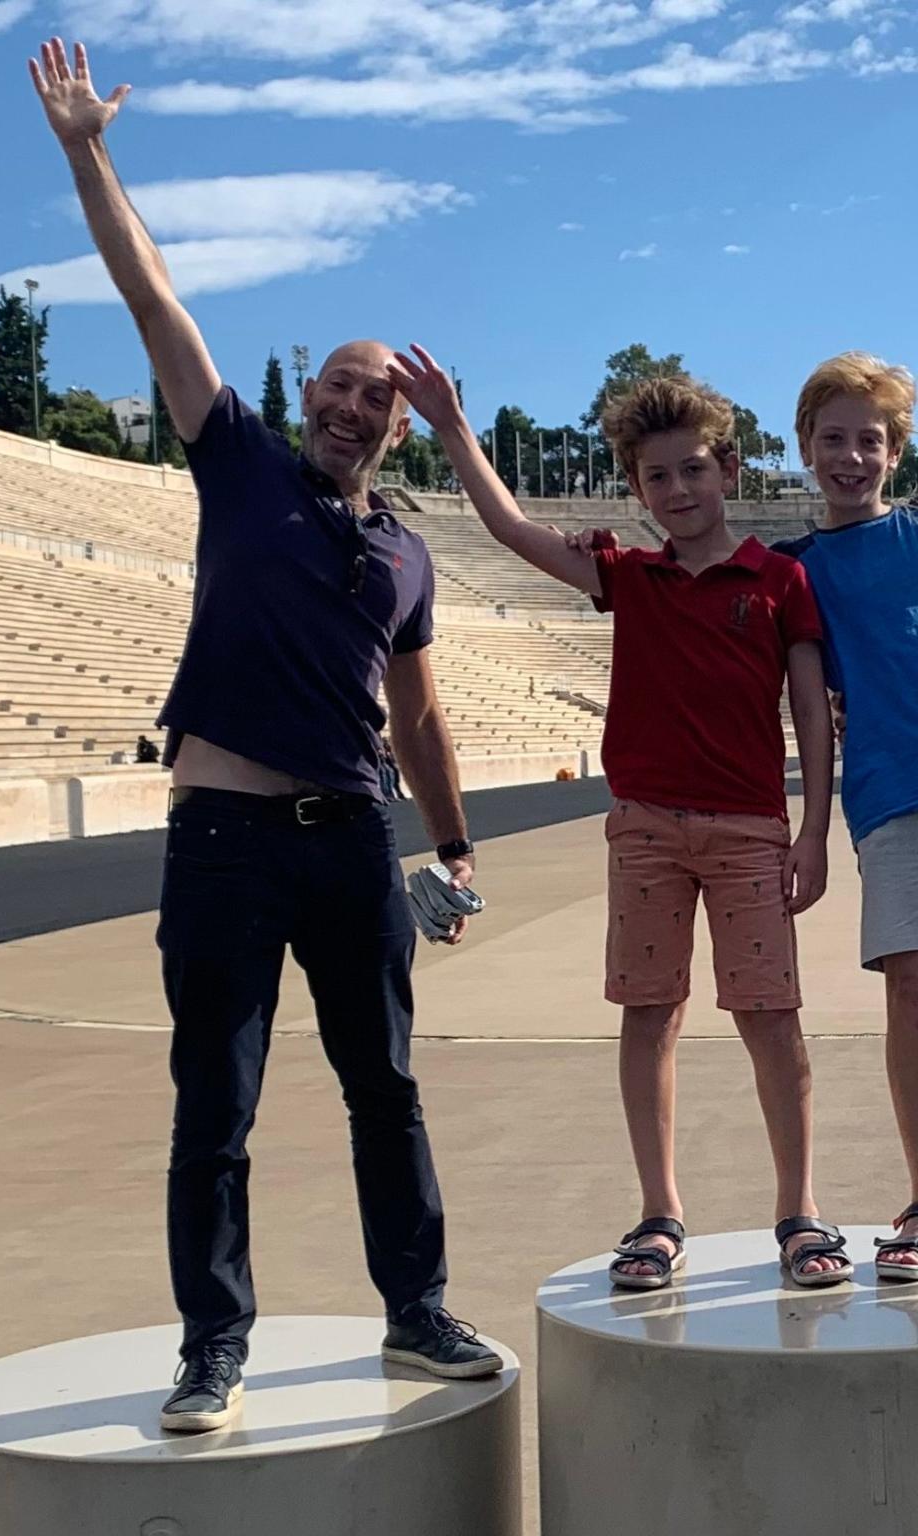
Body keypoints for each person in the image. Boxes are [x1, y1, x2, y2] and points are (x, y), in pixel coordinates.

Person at [30, 39, 502, 1433]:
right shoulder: (234, 459)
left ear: (403, 430)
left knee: (387, 1090)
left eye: (386, 398)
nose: (361, 404)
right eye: (347, 383)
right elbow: (152, 292)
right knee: (214, 1107)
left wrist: (458, 843)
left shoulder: (410, 558)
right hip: (226, 836)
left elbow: (417, 714)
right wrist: (84, 149)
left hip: (352, 842)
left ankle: (415, 1311)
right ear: (314, 398)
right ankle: (211, 1348)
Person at [389, 344, 851, 1289]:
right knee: (651, 1013)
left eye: (693, 468)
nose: (678, 488)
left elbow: (808, 712)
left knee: (773, 1018)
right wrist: (454, 430)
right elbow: (512, 526)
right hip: (644, 826)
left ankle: (799, 1210)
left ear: (728, 468)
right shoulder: (627, 577)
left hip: (751, 827)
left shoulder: (778, 581)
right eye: (656, 475)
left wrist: (811, 831)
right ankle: (659, 1212)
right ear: (635, 488)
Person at [771, 353, 918, 1279]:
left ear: (896, 452)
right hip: (888, 795)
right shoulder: (794, 571)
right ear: (806, 448)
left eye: (871, 439)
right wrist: (813, 829)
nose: (852, 456)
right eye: (835, 438)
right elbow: (808, 712)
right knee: (909, 988)